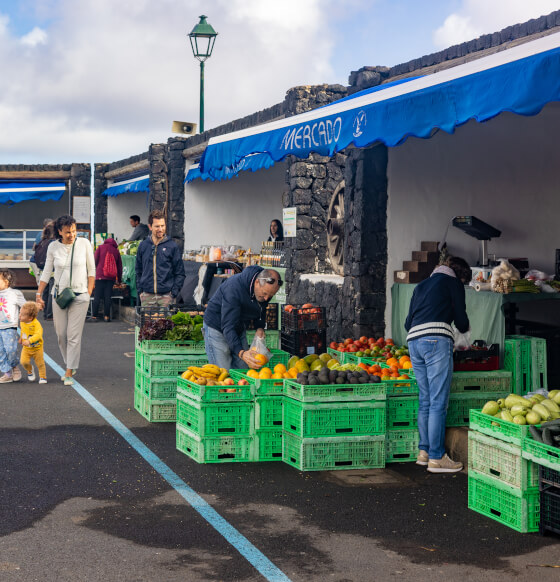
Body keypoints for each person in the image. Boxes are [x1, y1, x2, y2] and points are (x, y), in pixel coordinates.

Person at [404, 256, 471, 474]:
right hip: (436, 340)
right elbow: (461, 321)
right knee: (438, 402)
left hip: (414, 342)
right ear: (460, 275)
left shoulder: (421, 285)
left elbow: (407, 323)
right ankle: (436, 457)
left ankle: (424, 452)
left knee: (425, 399)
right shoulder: (454, 283)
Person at [36, 215, 95, 386]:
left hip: (80, 295)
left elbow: (92, 270)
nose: (72, 235)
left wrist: (88, 292)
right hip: (60, 296)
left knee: (73, 335)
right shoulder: (53, 247)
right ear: (60, 232)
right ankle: (70, 362)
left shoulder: (84, 244)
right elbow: (47, 272)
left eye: (74, 231)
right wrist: (39, 294)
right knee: (61, 334)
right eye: (68, 232)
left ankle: (69, 370)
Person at [203, 266, 283, 370]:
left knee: (243, 369)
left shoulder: (265, 287)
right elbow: (228, 326)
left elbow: (261, 309)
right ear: (257, 282)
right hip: (217, 326)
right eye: (264, 294)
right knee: (223, 372)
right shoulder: (233, 289)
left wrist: (259, 327)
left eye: (271, 295)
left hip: (239, 325)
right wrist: (241, 353)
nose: (267, 298)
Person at [135, 209, 185, 307]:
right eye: (157, 226)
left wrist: (173, 293)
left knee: (165, 322)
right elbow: (138, 270)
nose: (161, 229)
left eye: (163, 226)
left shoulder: (172, 246)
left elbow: (180, 272)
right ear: (150, 227)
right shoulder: (143, 246)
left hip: (166, 296)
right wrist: (140, 291)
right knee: (147, 322)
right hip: (147, 296)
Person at [0, 269, 25, 383]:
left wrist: (31, 310)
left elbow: (25, 306)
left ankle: (14, 366)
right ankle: (7, 373)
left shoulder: (15, 293)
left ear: (7, 281)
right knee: (1, 351)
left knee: (10, 350)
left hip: (10, 326)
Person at [91, 237, 122, 322]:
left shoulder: (101, 247)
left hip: (100, 276)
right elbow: (119, 267)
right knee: (107, 297)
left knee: (97, 296)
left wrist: (93, 272)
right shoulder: (116, 251)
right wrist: (119, 280)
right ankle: (106, 316)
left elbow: (95, 260)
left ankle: (94, 316)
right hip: (110, 277)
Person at [19, 301, 47, 384]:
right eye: (20, 313)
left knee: (40, 363)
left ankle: (43, 377)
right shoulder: (22, 322)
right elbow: (23, 331)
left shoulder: (36, 324)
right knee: (23, 362)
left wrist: (29, 341)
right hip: (26, 348)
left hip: (37, 348)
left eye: (22, 315)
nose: (19, 316)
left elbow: (38, 335)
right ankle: (30, 370)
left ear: (30, 318)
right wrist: (21, 338)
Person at [33, 221, 56, 321]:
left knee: (46, 292)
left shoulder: (42, 241)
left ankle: (46, 313)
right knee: (52, 292)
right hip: (52, 271)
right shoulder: (53, 243)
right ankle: (50, 314)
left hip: (42, 270)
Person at [29, 218, 53, 285]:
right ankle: (39, 294)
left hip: (39, 261)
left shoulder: (41, 234)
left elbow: (33, 248)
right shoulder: (43, 234)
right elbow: (34, 248)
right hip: (37, 262)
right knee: (41, 281)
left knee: (42, 280)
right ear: (45, 226)